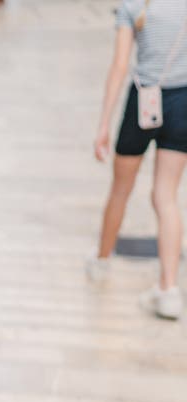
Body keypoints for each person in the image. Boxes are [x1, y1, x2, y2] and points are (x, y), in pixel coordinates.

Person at [89, 0, 187, 319]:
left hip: (142, 101)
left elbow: (119, 66)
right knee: (166, 196)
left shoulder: (134, 6)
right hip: (183, 103)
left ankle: (102, 262)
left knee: (121, 188)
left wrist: (103, 122)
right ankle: (169, 289)